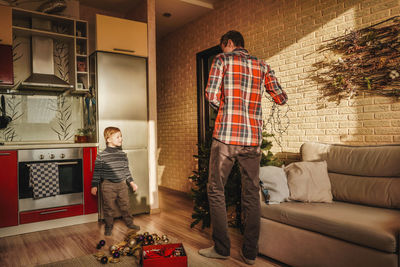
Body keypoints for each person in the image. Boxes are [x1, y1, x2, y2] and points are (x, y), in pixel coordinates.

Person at [198, 30, 288, 265]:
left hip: (226, 137)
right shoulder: (263, 65)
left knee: (216, 189)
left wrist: (227, 109)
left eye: (222, 46)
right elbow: (280, 97)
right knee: (250, 194)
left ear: (228, 43)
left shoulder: (222, 60)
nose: (222, 51)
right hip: (252, 141)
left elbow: (210, 95)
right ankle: (249, 254)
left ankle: (222, 249)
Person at [91, 126, 140, 236]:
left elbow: (126, 170)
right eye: (118, 137)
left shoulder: (122, 154)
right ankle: (108, 226)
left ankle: (130, 223)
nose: (121, 139)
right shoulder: (101, 155)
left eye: (121, 136)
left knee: (125, 205)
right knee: (108, 207)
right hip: (107, 185)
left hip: (122, 184)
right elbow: (97, 172)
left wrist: (132, 183)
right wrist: (94, 185)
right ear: (108, 140)